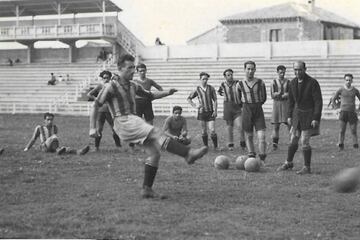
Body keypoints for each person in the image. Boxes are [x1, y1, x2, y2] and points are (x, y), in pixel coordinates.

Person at [89, 54, 208, 199]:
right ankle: (188, 154)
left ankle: (147, 189)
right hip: (123, 121)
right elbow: (96, 105)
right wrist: (92, 128)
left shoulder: (134, 85)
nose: (133, 70)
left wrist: (167, 93)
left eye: (133, 67)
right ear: (120, 69)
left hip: (133, 120)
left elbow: (150, 95)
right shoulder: (111, 86)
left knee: (154, 154)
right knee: (156, 132)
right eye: (129, 68)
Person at [277, 61, 323, 174]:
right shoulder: (292, 83)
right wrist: (289, 115)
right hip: (296, 116)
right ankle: (289, 162)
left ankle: (307, 167)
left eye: (300, 69)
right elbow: (291, 101)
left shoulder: (312, 82)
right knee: (293, 140)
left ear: (305, 69)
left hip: (308, 115)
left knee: (304, 141)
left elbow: (318, 101)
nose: (297, 72)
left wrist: (315, 117)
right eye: (295, 70)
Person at [236, 61, 267, 163]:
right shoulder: (239, 84)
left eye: (252, 69)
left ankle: (262, 159)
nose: (250, 71)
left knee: (261, 136)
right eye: (248, 69)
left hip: (258, 109)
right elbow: (238, 100)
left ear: (255, 69)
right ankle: (252, 157)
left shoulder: (260, 82)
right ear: (244, 69)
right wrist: (246, 107)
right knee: (249, 135)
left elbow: (264, 98)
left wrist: (257, 104)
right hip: (246, 110)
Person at [87, 70, 122, 151]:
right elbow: (89, 94)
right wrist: (96, 99)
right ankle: (96, 147)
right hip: (101, 111)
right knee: (99, 129)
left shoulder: (112, 86)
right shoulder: (100, 85)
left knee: (114, 128)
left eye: (107, 77)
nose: (106, 79)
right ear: (102, 78)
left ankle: (118, 146)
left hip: (110, 110)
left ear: (110, 78)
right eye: (104, 78)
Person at [24, 112, 90, 155]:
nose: (50, 121)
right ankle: (58, 150)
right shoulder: (39, 128)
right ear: (44, 120)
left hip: (52, 146)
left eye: (51, 120)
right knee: (54, 137)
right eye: (48, 120)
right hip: (44, 146)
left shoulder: (55, 127)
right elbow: (33, 139)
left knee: (65, 148)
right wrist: (26, 148)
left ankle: (79, 152)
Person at [188, 72, 218, 149]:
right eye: (203, 79)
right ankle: (206, 146)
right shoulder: (197, 89)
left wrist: (215, 111)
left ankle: (215, 147)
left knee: (212, 130)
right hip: (202, 112)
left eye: (206, 79)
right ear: (200, 79)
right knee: (204, 131)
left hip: (210, 112)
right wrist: (195, 106)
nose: (205, 80)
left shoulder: (211, 88)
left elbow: (215, 100)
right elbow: (189, 98)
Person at [218, 68, 246, 151]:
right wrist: (225, 95)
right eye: (228, 75)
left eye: (231, 74)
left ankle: (243, 143)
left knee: (240, 126)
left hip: (237, 107)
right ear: (225, 77)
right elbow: (219, 92)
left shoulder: (237, 83)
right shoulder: (223, 84)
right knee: (229, 127)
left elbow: (243, 91)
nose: (230, 76)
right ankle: (230, 144)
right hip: (227, 107)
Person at [331, 74, 360, 151]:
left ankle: (355, 145)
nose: (348, 82)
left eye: (349, 80)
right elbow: (333, 100)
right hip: (343, 112)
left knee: (353, 130)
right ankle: (341, 144)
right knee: (342, 130)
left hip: (352, 113)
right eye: (347, 80)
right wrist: (337, 108)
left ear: (352, 81)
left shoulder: (355, 90)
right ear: (344, 80)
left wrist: (358, 109)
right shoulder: (341, 90)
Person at [270, 65, 291, 150]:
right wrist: (276, 94)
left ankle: (292, 141)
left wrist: (288, 94)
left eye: (283, 72)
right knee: (276, 125)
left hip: (286, 104)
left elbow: (291, 93)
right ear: (277, 72)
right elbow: (272, 94)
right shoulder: (274, 82)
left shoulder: (289, 82)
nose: (282, 74)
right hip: (277, 104)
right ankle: (275, 144)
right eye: (280, 72)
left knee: (289, 124)